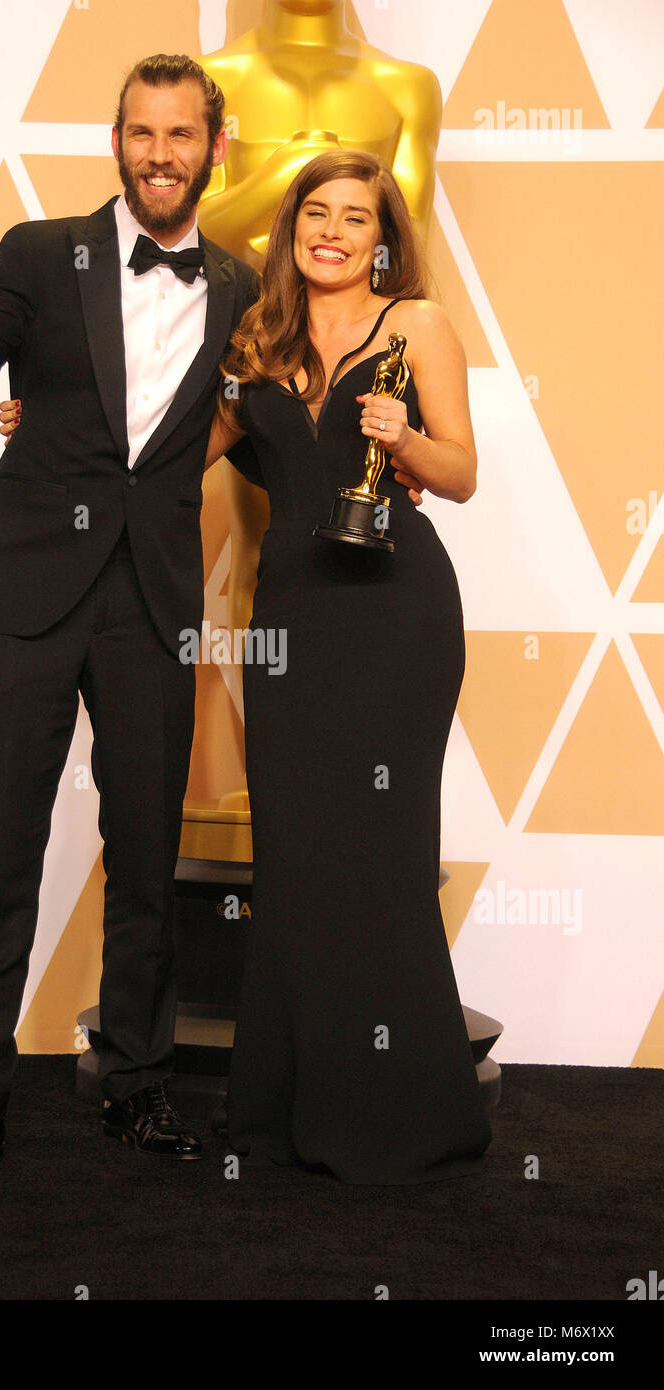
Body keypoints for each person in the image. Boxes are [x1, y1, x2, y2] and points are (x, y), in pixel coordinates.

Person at [0, 54, 263, 1181]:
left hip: (151, 602)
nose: (158, 154)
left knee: (145, 860)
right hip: (27, 594)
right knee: (0, 850)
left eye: (180, 135)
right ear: (116, 140)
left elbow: (243, 419)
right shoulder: (42, 252)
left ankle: (138, 1089)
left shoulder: (236, 288)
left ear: (212, 147)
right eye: (140, 133)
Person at [208, 149, 491, 1184]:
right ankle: (285, 1108)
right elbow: (166, 455)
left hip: (397, 619)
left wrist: (407, 439)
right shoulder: (254, 342)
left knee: (379, 850)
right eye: (312, 213)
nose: (330, 230)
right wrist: (44, 429)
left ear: (383, 238)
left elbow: (461, 472)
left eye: (353, 218)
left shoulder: (415, 325)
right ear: (287, 232)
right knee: (294, 855)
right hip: (289, 621)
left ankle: (396, 1114)